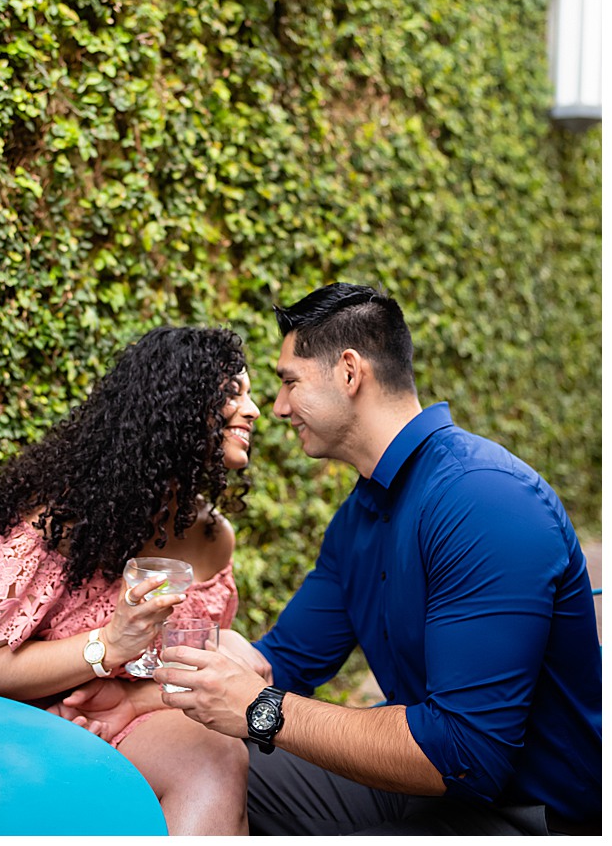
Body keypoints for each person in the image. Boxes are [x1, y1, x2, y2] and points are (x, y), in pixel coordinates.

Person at [133, 283, 601, 835]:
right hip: (410, 789)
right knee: (187, 759)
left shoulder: (486, 499)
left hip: (524, 813)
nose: (278, 408)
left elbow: (464, 753)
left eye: (289, 382)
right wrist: (137, 702)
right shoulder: (359, 516)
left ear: (350, 373)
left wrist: (262, 708)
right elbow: (287, 661)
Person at [0, 326, 261, 834]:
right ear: (175, 409)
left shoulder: (213, 537)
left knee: (216, 756)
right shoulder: (60, 518)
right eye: (233, 393)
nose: (254, 409)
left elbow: (182, 675)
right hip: (1, 714)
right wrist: (108, 643)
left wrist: (126, 706)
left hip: (118, 720)